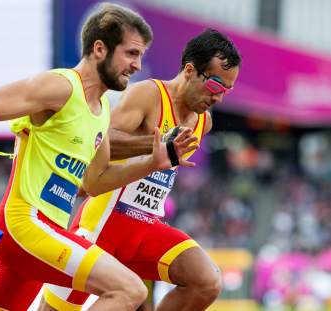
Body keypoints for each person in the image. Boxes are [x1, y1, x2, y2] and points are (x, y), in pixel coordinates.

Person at [0, 3, 199, 311]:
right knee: (130, 289)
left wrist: (153, 162)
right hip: (25, 225)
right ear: (100, 48)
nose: (137, 65)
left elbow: (95, 183)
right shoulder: (61, 86)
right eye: (131, 53)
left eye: (140, 56)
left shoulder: (101, 109)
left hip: (41, 236)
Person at [40, 28, 242, 311]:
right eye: (216, 86)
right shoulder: (149, 94)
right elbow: (101, 141)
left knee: (207, 282)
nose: (219, 98)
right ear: (189, 70)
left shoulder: (202, 122)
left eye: (227, 90)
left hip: (145, 229)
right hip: (102, 227)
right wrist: (156, 146)